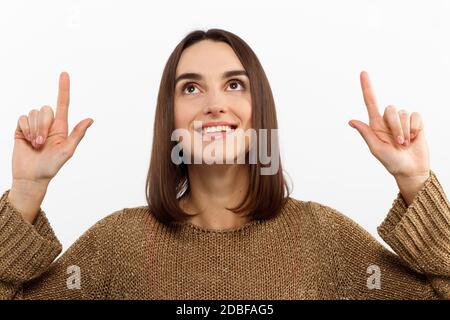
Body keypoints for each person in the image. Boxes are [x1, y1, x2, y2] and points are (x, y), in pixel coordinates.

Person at [0, 29, 449, 300]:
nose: (215, 104)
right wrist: (26, 191)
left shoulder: (323, 240)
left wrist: (414, 180)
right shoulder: (117, 246)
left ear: (261, 109)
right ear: (169, 119)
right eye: (190, 89)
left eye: (234, 84)